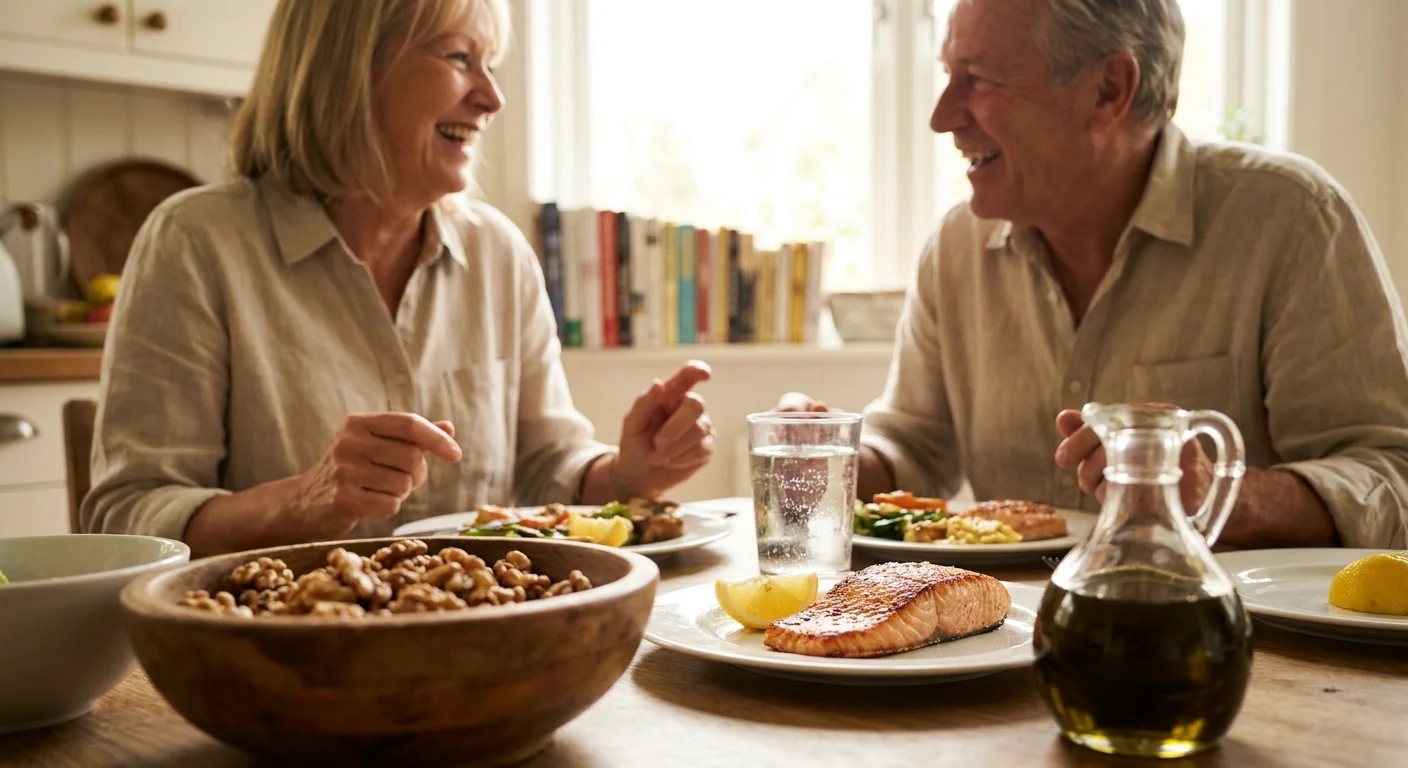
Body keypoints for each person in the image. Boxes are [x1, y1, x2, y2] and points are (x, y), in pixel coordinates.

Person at [81, 0, 715, 558]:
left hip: (485, 643)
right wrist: (300, 503)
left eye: (489, 63)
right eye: (460, 57)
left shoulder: (499, 253)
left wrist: (627, 472)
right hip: (278, 664)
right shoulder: (195, 241)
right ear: (350, 68)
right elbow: (125, 519)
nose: (491, 99)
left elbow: (548, 467)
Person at [779, 0, 1408, 549]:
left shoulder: (1291, 219)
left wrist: (1215, 494)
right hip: (1002, 645)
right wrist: (830, 463)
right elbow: (914, 448)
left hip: (1228, 657)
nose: (943, 116)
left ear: (1109, 89)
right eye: (948, 74)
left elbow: (1392, 475)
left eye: (977, 79)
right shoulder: (954, 248)